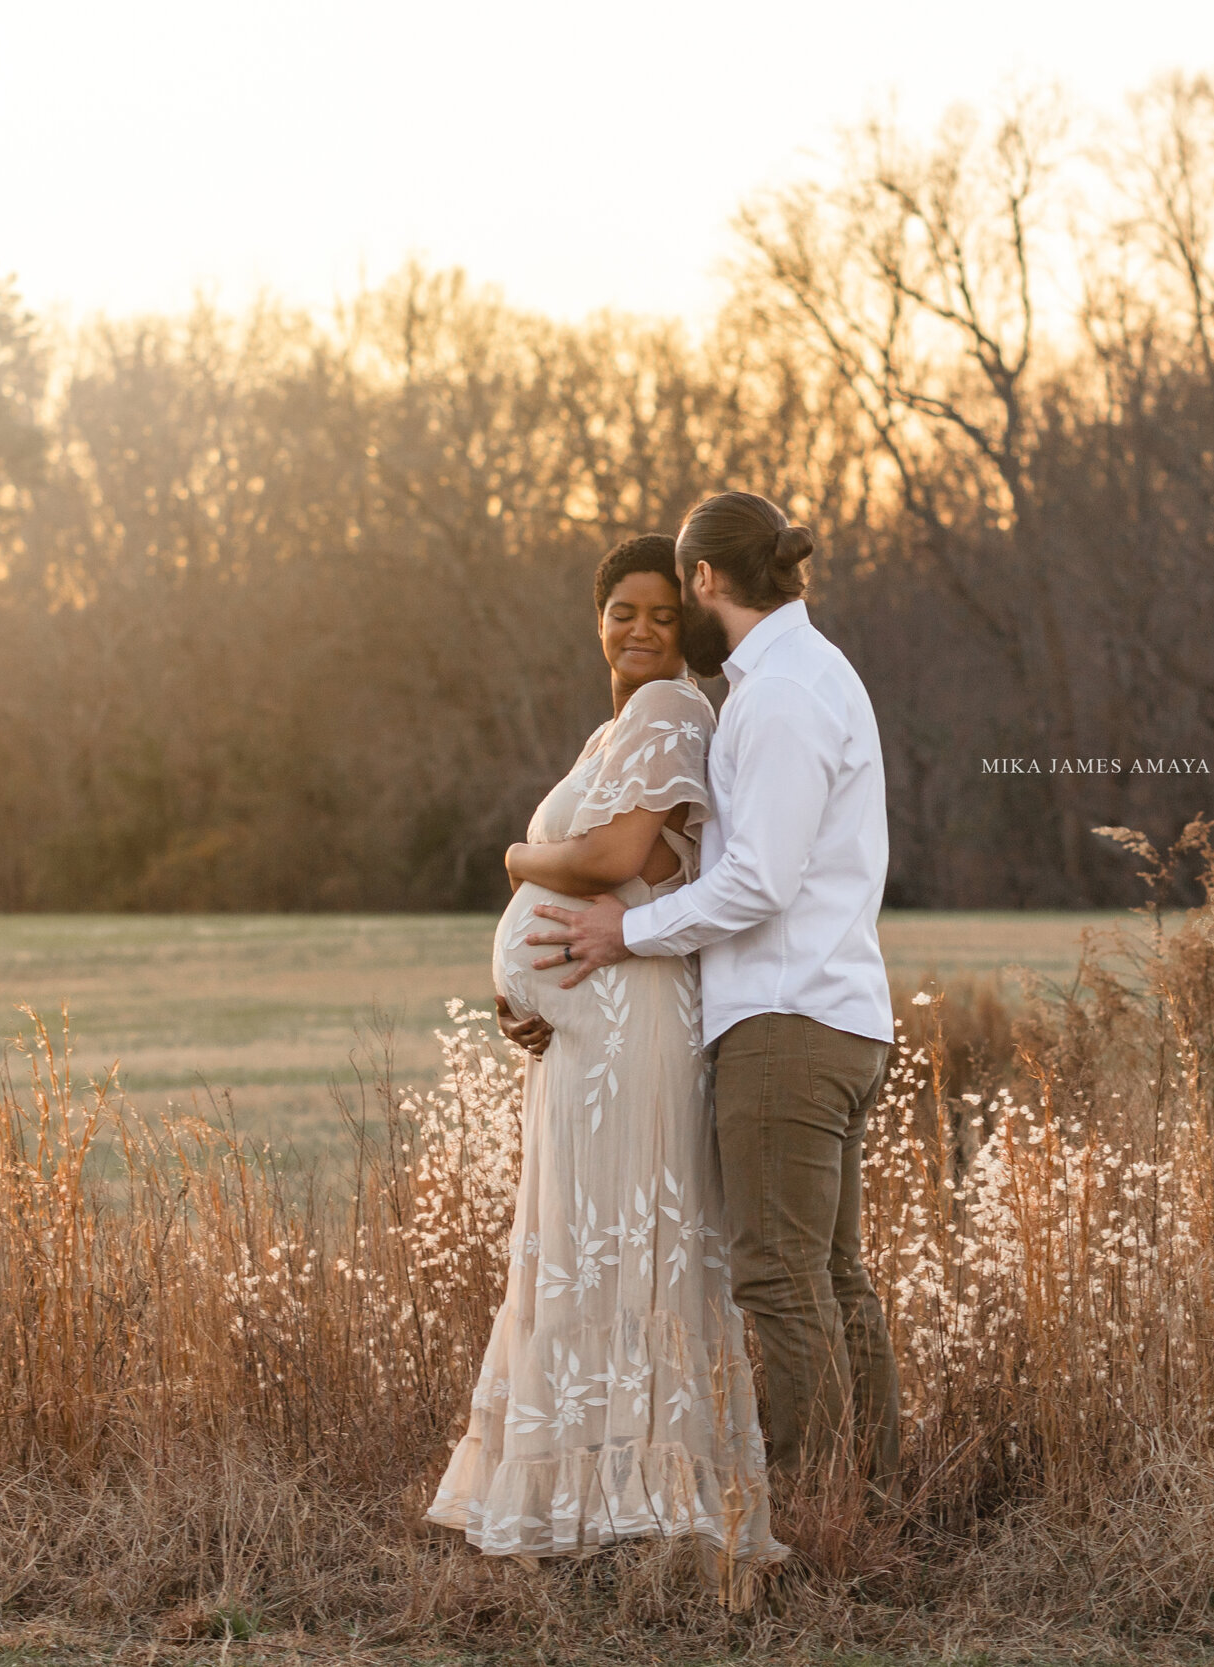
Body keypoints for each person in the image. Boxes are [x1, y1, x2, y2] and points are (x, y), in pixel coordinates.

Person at [523, 491, 901, 1505]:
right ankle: (871, 1499)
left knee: (780, 1281)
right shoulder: (799, 676)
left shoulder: (778, 695)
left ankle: (803, 1506)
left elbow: (759, 881)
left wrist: (622, 930)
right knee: (830, 1277)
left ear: (701, 579)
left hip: (787, 1022)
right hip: (822, 1011)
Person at [425, 534, 786, 1590]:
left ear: (689, 629)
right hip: (583, 1032)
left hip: (632, 1029)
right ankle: (588, 1498)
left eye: (661, 614)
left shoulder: (673, 710)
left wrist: (512, 859)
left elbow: (614, 861)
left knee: (629, 1245)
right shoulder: (613, 728)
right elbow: (594, 887)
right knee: (581, 1245)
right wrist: (516, 985)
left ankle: (652, 1506)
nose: (638, 628)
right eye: (620, 609)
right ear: (596, 618)